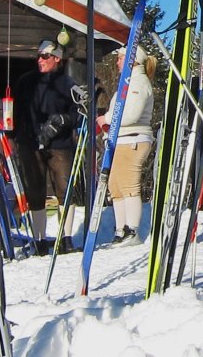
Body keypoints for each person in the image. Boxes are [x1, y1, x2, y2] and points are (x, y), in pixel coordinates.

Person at [30, 38, 87, 249]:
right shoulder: (31, 82)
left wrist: (62, 121)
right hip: (34, 143)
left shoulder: (67, 84)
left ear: (56, 59)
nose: (40, 60)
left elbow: (78, 113)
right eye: (39, 56)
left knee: (64, 189)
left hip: (60, 145)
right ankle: (39, 240)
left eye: (45, 56)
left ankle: (66, 238)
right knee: (36, 191)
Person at [100, 46, 155, 244]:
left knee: (128, 184)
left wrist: (105, 118)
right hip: (121, 139)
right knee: (116, 186)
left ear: (133, 61)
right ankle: (120, 229)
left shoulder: (138, 83)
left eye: (121, 58)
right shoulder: (129, 82)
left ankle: (132, 230)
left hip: (132, 139)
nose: (117, 62)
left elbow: (131, 114)